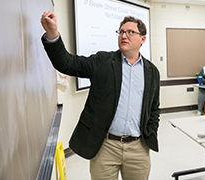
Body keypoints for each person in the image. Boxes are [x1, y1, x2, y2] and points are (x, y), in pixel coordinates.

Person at [41, 11, 160, 180]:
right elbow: (68, 63)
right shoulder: (102, 61)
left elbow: (154, 108)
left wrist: (151, 132)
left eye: (130, 32)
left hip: (138, 149)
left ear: (142, 39)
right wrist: (52, 35)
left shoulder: (152, 72)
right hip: (106, 147)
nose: (124, 35)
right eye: (121, 32)